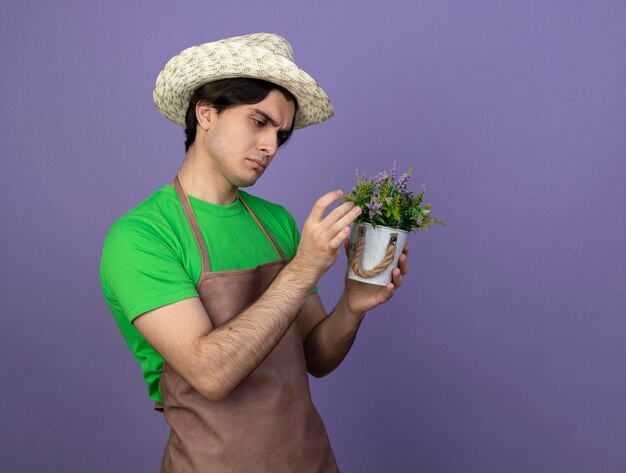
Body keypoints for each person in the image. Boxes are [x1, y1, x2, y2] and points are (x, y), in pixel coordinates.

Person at [100, 33, 409, 472]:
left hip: (309, 459)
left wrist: (353, 304)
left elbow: (315, 358)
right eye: (258, 122)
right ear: (206, 113)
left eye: (280, 135)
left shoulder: (276, 222)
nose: (270, 146)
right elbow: (210, 374)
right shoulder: (142, 237)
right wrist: (303, 268)